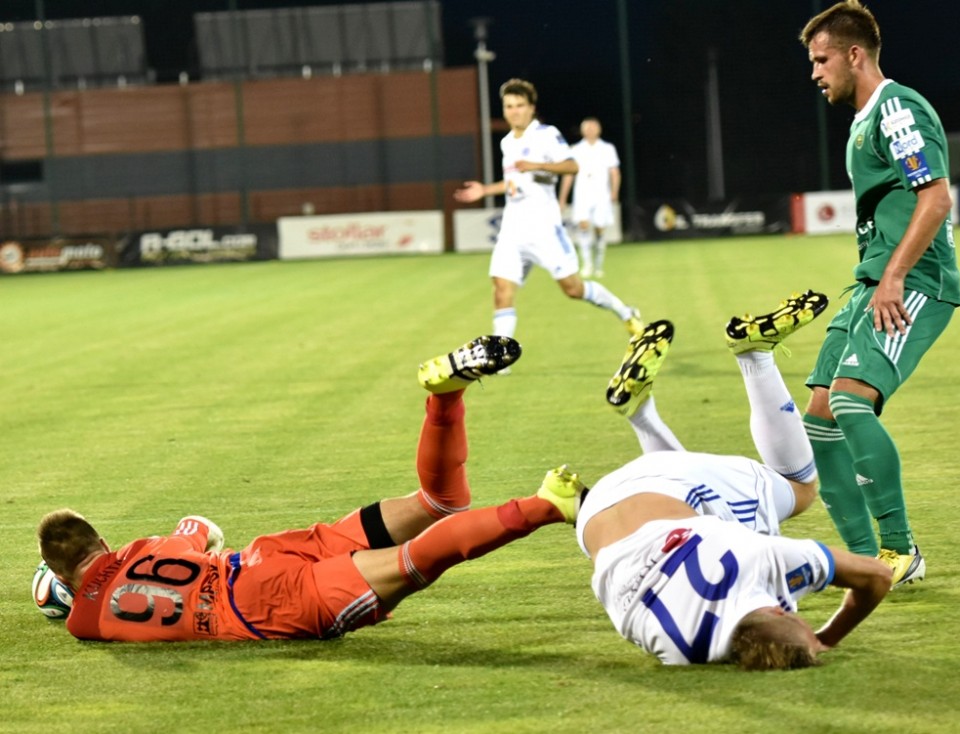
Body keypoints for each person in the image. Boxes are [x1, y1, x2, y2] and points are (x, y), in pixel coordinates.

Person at [35, 336, 588, 642]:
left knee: (412, 562)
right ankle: (445, 397)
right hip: (263, 555)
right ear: (101, 541)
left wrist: (72, 591)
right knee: (439, 503)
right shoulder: (147, 547)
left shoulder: (84, 622)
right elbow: (198, 527)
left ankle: (546, 505)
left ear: (61, 578)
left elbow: (93, 606)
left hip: (263, 605)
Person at [574, 291, 892, 669]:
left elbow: (877, 577)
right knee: (697, 515)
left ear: (778, 612)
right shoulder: (678, 652)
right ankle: (641, 414)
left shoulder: (764, 561)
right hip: (594, 514)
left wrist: (826, 638)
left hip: (668, 487)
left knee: (799, 488)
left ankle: (754, 355)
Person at [798, 1, 960, 588]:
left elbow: (936, 197)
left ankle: (901, 549)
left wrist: (893, 276)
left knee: (849, 401)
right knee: (819, 420)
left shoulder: (896, 109)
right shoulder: (863, 121)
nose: (815, 73)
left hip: (914, 281)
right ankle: (866, 563)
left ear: (854, 54)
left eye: (821, 60)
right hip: (872, 280)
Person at [454, 79, 642, 342]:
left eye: (520, 105)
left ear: (531, 108)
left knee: (573, 289)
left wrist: (537, 165)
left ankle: (625, 312)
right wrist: (485, 190)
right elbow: (514, 182)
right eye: (509, 106)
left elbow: (572, 166)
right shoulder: (507, 142)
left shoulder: (546, 134)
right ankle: (500, 354)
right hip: (512, 230)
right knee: (501, 289)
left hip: (543, 229)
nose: (514, 111)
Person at [558, 117, 621, 278]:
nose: (590, 130)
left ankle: (599, 264)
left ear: (599, 130)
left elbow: (614, 172)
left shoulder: (607, 148)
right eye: (587, 127)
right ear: (582, 130)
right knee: (583, 226)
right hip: (582, 194)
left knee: (600, 228)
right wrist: (563, 198)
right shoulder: (575, 149)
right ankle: (587, 264)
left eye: (593, 127)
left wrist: (614, 191)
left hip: (601, 194)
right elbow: (568, 175)